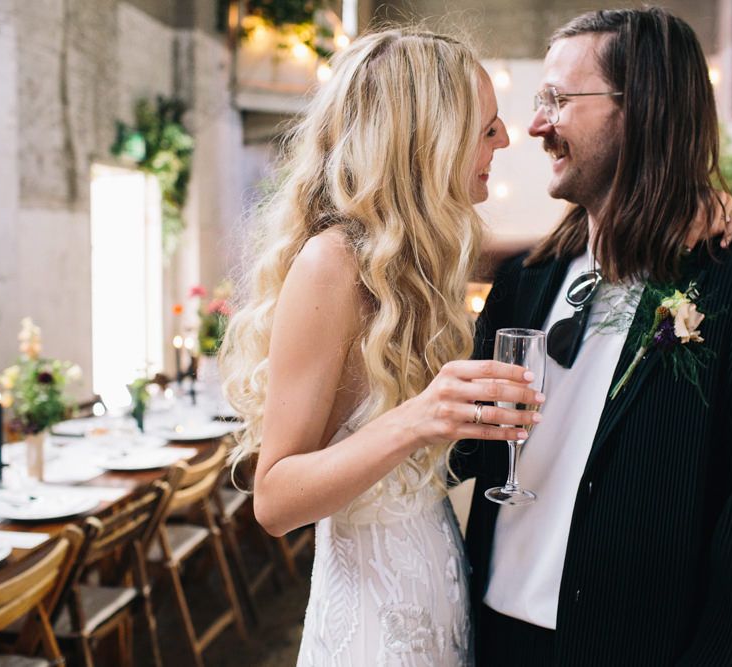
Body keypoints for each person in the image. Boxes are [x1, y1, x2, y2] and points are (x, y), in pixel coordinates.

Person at [456, 8, 732, 666]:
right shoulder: (525, 280)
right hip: (493, 638)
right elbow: (463, 454)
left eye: (558, 100)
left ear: (643, 108)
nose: (536, 125)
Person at [219, 29, 545, 665]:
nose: (505, 140)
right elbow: (274, 501)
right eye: (486, 127)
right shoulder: (331, 264)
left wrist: (661, 220)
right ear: (428, 139)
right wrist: (420, 418)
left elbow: (539, 251)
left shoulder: (415, 258)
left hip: (437, 590)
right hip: (372, 628)